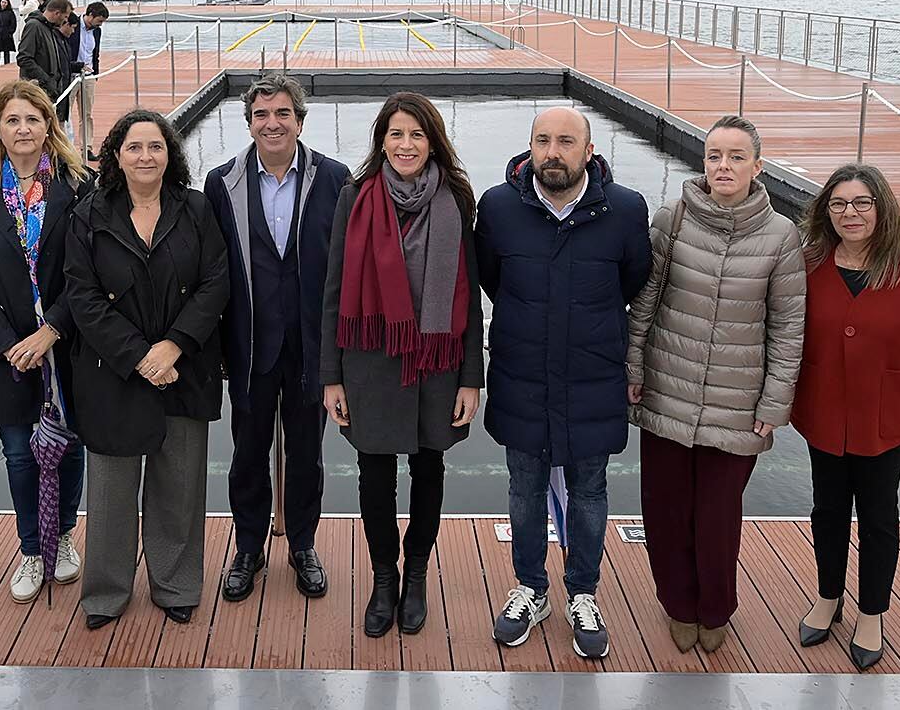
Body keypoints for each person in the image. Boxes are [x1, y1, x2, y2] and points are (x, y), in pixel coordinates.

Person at [477, 106, 651, 660]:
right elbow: (491, 279)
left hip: (593, 376)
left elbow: (634, 276)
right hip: (522, 374)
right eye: (543, 141)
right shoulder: (498, 208)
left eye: (566, 142)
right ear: (529, 147)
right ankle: (530, 587)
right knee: (524, 490)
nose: (553, 153)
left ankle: (583, 591)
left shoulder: (624, 210)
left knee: (591, 490)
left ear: (589, 150)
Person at [627, 115, 805, 655]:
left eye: (734, 157)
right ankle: (678, 604)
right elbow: (644, 304)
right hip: (667, 388)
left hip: (737, 403)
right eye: (713, 156)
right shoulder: (672, 219)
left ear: (758, 166)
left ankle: (715, 608)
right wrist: (633, 367)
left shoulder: (781, 237)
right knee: (663, 508)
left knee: (718, 516)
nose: (722, 166)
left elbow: (789, 326)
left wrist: (775, 402)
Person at [320, 92, 484, 638]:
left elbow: (471, 294)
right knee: (375, 476)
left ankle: (416, 577)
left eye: (416, 134)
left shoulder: (458, 199)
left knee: (429, 472)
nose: (406, 145)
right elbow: (333, 291)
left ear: (432, 140)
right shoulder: (356, 197)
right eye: (396, 134)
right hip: (370, 361)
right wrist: (331, 376)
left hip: (438, 364)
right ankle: (384, 578)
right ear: (381, 141)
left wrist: (470, 378)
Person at [65, 109, 229, 629]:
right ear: (116, 154)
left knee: (178, 488)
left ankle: (176, 584)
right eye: (134, 147)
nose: (145, 156)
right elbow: (83, 297)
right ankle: (107, 593)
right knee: (111, 492)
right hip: (114, 372)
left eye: (155, 147)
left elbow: (215, 283)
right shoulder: (89, 215)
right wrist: (139, 354)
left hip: (183, 368)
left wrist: (174, 346)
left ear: (169, 154)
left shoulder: (196, 210)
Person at [792, 164, 900, 670]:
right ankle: (827, 597)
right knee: (828, 507)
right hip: (823, 410)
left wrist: (886, 370)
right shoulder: (807, 266)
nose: (850, 213)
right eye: (838, 204)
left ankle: (872, 612)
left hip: (885, 416)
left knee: (879, 513)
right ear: (826, 212)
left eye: (862, 202)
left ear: (882, 208)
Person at [204, 75, 350, 604]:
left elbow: (347, 269)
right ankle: (248, 547)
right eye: (262, 115)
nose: (272, 123)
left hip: (312, 348)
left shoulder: (335, 180)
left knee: (308, 454)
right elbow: (213, 271)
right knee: (247, 452)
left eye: (283, 113)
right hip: (249, 348)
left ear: (299, 121)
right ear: (248, 123)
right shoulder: (222, 184)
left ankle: (304, 545)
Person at [0, 80, 92, 602]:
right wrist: (8, 341)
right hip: (7, 347)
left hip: (65, 338)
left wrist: (50, 329)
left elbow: (91, 272)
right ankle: (32, 548)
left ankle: (66, 536)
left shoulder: (78, 186)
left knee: (68, 443)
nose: (24, 129)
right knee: (17, 452)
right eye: (13, 120)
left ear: (48, 126)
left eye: (33, 119)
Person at [17, 0, 71, 103]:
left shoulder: (50, 29)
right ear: (57, 13)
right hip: (36, 92)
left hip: (48, 92)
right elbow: (24, 58)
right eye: (65, 16)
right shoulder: (34, 26)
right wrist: (46, 80)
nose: (66, 20)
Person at [71, 2, 109, 154]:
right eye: (99, 20)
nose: (100, 25)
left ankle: (86, 148)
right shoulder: (73, 25)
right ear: (90, 15)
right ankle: (65, 148)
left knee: (86, 114)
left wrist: (95, 74)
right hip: (71, 75)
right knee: (64, 114)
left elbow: (96, 54)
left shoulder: (96, 32)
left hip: (89, 76)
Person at [0, 0, 19, 67]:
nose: (3, 4)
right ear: (0, 3)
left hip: (7, 34)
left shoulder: (10, 12)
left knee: (6, 52)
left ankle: (7, 66)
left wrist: (10, 32)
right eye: (2, 2)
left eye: (5, 2)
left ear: (8, 4)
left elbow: (13, 24)